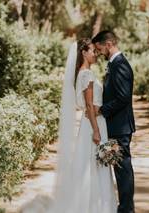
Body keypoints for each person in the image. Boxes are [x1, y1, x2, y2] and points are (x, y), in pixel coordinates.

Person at [22, 38, 117, 213]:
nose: (95, 54)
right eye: (92, 51)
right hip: (93, 125)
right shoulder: (86, 74)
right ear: (83, 53)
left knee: (93, 163)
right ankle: (94, 206)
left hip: (93, 122)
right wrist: (96, 131)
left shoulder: (83, 73)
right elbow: (89, 105)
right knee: (94, 164)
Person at [92, 30, 136, 213]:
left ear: (108, 44)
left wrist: (102, 110)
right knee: (118, 168)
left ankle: (126, 209)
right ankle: (124, 207)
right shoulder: (114, 64)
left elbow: (123, 97)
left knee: (122, 168)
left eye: (99, 48)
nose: (98, 52)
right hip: (114, 126)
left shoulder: (120, 65)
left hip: (120, 127)